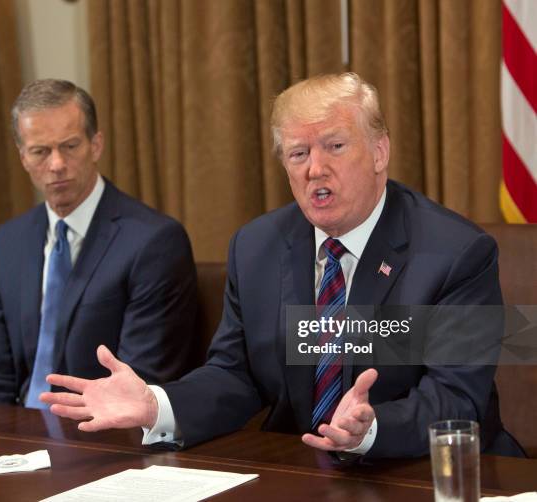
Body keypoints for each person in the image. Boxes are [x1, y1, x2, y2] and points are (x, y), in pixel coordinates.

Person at [40, 73, 523, 458]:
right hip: (301, 469)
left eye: (335, 146)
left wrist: (372, 430)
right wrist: (156, 405)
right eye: (298, 153)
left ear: (379, 152)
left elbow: (458, 398)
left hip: (426, 469)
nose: (315, 168)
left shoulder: (457, 252)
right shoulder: (256, 248)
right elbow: (236, 373)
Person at [0, 79, 198, 407]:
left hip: (103, 435)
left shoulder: (155, 241)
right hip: (18, 441)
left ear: (96, 145)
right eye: (40, 151)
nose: (57, 164)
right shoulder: (7, 243)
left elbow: (142, 381)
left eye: (70, 146)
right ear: (23, 158)